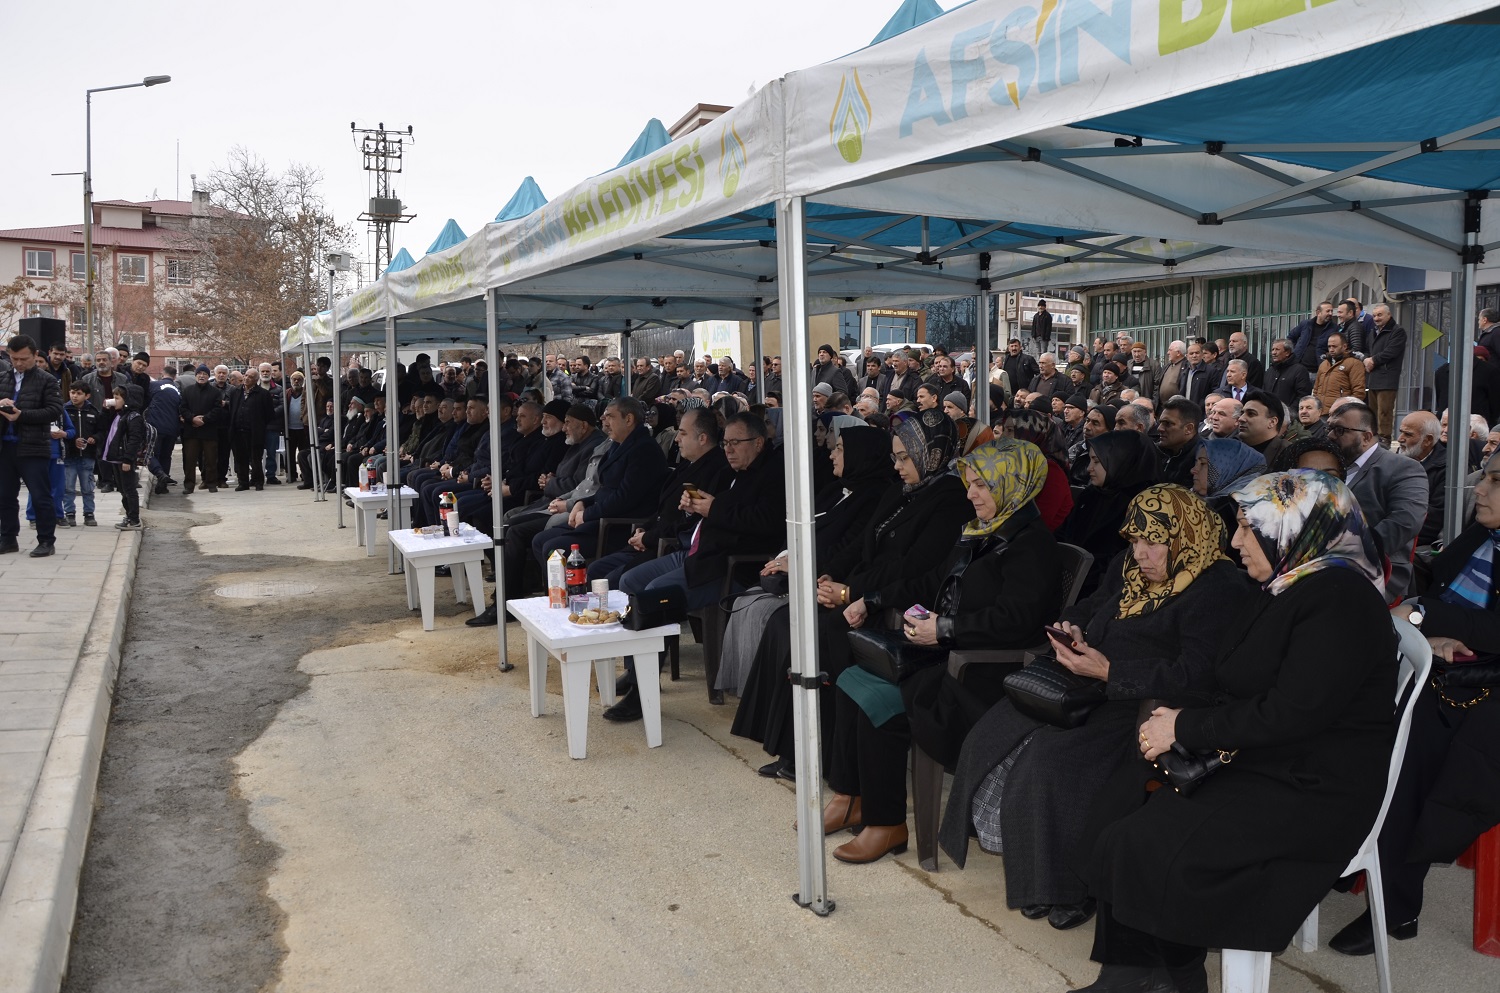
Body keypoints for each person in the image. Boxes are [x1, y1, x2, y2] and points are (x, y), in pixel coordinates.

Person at [1078, 470, 1394, 993]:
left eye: (1249, 527)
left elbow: (1293, 712)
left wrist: (1184, 723)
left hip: (1312, 781)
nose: (1235, 540)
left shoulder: (1340, 599)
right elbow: (1239, 681)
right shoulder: (1286, 585)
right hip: (1265, 755)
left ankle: (1175, 977)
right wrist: (1174, 720)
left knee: (1152, 842)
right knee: (1123, 806)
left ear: (1292, 528)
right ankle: (1134, 971)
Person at [940, 484, 1252, 933]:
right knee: (994, 732)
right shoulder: (1131, 564)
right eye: (1134, 541)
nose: (1140, 554)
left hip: (1143, 703)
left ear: (1185, 536)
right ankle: (1039, 875)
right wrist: (1074, 627)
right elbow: (1093, 605)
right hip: (1088, 679)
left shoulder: (1218, 586)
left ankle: (1070, 885)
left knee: (1050, 761)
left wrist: (1112, 671)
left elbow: (1197, 675)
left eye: (1153, 542)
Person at [824, 439, 1066, 864]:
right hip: (949, 652)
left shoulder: (1030, 545)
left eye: (981, 486)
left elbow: (1016, 621)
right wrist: (873, 599)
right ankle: (851, 795)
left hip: (981, 675)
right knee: (851, 677)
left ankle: (887, 823)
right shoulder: (980, 532)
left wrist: (945, 629)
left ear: (1012, 485)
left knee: (877, 698)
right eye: (970, 484)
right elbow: (930, 580)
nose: (970, 494)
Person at [737, 410, 972, 774]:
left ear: (934, 455)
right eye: (895, 458)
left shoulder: (950, 498)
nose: (898, 466)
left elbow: (913, 566)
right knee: (789, 619)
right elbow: (863, 543)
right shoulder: (902, 491)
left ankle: (826, 755)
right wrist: (831, 574)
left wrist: (850, 591)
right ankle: (793, 746)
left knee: (817, 630)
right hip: (863, 588)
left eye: (906, 458)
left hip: (896, 601)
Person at [1336, 457, 1500, 956]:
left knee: (1408, 751)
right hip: (1458, 663)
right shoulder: (1483, 532)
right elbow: (1444, 587)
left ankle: (1397, 906)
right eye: (1486, 477)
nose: (1481, 490)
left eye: (1496, 481)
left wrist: (1432, 617)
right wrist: (1440, 627)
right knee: (1344, 708)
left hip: (1482, 689)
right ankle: (1348, 853)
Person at [717, 425, 894, 705]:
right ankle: (752, 695)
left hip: (826, 580)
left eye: (840, 449)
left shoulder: (874, 498)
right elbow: (801, 528)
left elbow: (848, 550)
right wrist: (784, 556)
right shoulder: (836, 489)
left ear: (861, 456)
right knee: (744, 603)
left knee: (763, 611)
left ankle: (767, 701)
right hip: (801, 569)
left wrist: (797, 564)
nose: (832, 455)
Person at [1330, 401, 1428, 601]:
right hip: (1321, 564)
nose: (1330, 436)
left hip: (1377, 568)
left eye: (1339, 430)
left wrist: (1346, 553)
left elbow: (1405, 521)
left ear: (1366, 437)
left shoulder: (1403, 468)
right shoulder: (1329, 465)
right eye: (1329, 428)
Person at [1056, 430, 1161, 597]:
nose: (1089, 468)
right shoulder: (1091, 495)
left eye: (1096, 461)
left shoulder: (1144, 505)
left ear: (1120, 460)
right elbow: (1063, 533)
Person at [0, 336, 64, 556]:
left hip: (33, 446)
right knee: (5, 496)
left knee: (40, 496)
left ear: (35, 355)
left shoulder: (46, 380)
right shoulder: (3, 377)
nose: (18, 363)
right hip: (5, 447)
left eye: (23, 359)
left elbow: (55, 410)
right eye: (14, 358)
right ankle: (8, 538)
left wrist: (21, 415)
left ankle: (46, 541)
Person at [1000, 408, 1074, 531]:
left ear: (1031, 434)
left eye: (1010, 430)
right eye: (1004, 430)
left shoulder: (1051, 472)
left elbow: (1038, 524)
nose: (1003, 437)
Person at [1191, 436, 1266, 540]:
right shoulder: (1204, 501)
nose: (1193, 470)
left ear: (1227, 468)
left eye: (1203, 463)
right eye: (1196, 462)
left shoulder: (1233, 511)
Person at [1395, 410, 1447, 546]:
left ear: (1428, 440)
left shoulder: (1446, 469)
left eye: (1408, 434)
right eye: (1401, 432)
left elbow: (1434, 519)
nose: (1400, 438)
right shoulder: (1395, 460)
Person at [101, 384, 148, 531]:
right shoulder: (120, 414)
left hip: (124, 459)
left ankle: (134, 519)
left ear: (127, 399)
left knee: (129, 489)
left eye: (117, 398)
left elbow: (134, 440)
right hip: (116, 457)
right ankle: (129, 515)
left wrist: (128, 459)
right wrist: (105, 410)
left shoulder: (134, 418)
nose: (114, 401)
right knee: (122, 490)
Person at [1363, 304, 1406, 444]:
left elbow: (1391, 352)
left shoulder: (1397, 331)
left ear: (1389, 315)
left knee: (1384, 411)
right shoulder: (1372, 332)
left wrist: (1373, 360)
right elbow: (1367, 350)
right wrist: (1366, 360)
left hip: (1387, 377)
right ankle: (1373, 437)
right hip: (1373, 376)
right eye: (1374, 315)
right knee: (1372, 412)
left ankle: (1384, 439)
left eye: (1380, 315)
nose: (1376, 318)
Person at [178, 365, 223, 495]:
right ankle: (189, 485)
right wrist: (192, 419)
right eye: (199, 373)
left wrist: (204, 419)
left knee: (211, 459)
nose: (202, 376)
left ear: (209, 377)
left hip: (209, 431)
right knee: (190, 460)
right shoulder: (187, 391)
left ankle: (211, 483)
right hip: (191, 431)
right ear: (195, 375)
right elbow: (182, 408)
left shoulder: (215, 392)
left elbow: (217, 410)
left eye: (205, 374)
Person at [61, 384, 100, 526]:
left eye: (78, 393)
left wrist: (94, 438)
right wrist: (72, 441)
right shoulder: (64, 410)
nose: (74, 396)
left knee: (87, 487)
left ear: (87, 396)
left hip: (87, 455)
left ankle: (89, 513)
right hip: (70, 455)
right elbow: (61, 431)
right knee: (68, 487)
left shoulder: (93, 411)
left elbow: (101, 431)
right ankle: (69, 513)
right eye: (72, 393)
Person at [1154, 398, 1201, 489]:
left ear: (1189, 428)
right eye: (1160, 423)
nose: (1160, 428)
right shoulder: (1155, 451)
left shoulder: (1204, 460)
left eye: (1167, 423)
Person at [1236, 388, 1287, 467]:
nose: (1241, 419)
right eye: (1242, 413)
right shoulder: (1232, 449)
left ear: (1272, 422)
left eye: (1251, 414)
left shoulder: (1288, 453)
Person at [1291, 301, 1339, 374]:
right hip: (1299, 369)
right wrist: (1295, 350)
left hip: (1318, 370)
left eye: (1331, 311)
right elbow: (1291, 337)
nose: (1331, 313)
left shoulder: (1334, 329)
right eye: (1328, 311)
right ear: (1318, 313)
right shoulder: (1305, 324)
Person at [1263, 338, 1312, 407]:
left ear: (1287, 352)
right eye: (1272, 349)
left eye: (1277, 349)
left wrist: (1290, 413)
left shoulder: (1299, 370)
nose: (1273, 353)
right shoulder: (1270, 371)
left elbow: (1303, 396)